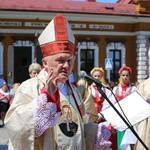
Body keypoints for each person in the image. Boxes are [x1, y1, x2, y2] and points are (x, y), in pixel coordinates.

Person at [4, 14, 112, 150]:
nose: (66, 66)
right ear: (45, 63)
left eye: (70, 61)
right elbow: (16, 127)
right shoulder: (30, 87)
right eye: (60, 60)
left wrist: (96, 132)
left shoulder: (74, 91)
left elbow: (76, 130)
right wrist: (45, 100)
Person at [113, 65, 137, 150]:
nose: (125, 77)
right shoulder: (115, 89)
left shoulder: (133, 89)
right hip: (119, 116)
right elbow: (112, 102)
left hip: (129, 116)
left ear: (130, 76)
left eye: (127, 75)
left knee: (129, 138)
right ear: (120, 76)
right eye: (123, 75)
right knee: (119, 136)